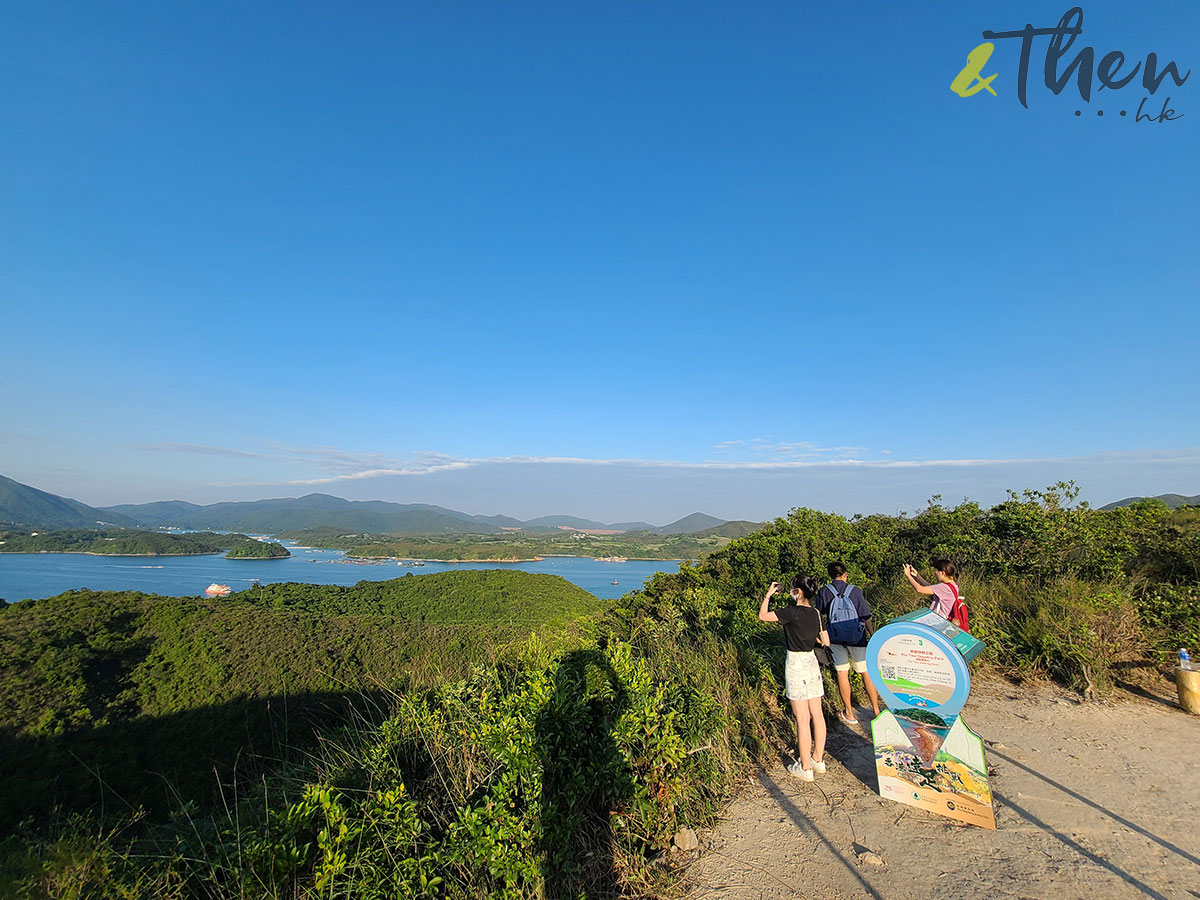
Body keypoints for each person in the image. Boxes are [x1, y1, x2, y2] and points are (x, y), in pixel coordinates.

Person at [759, 575, 830, 781]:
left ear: (798, 591)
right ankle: (818, 759)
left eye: (793, 589)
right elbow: (825, 640)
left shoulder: (791, 612)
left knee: (802, 718)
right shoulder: (816, 613)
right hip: (812, 662)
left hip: (796, 664)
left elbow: (763, 616)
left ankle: (805, 766)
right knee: (817, 714)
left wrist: (768, 595)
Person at [816, 562, 881, 726]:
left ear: (830, 575)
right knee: (865, 672)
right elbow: (865, 616)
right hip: (857, 638)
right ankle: (876, 711)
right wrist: (872, 634)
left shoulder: (824, 591)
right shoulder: (855, 591)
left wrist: (822, 637)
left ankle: (849, 713)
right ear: (844, 574)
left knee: (842, 673)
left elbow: (818, 615)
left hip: (835, 638)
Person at [903, 558, 967, 629]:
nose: (935, 573)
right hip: (945, 622)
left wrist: (908, 575)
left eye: (936, 571)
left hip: (938, 623)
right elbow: (931, 588)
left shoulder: (944, 587)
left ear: (943, 572)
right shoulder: (954, 586)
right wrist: (917, 576)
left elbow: (919, 589)